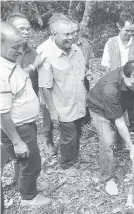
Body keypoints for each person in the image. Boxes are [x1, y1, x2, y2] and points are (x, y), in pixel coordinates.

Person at [0, 22, 51, 206]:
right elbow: (3, 114)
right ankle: (28, 196)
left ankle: (23, 184)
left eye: (21, 45)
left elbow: (20, 78)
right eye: (15, 47)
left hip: (24, 125)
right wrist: (17, 141)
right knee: (31, 162)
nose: (20, 51)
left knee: (21, 160)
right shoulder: (2, 74)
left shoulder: (9, 62)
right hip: (18, 128)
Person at [38, 16, 87, 176]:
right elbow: (45, 87)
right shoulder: (47, 55)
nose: (71, 37)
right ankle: (66, 165)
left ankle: (74, 156)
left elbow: (81, 75)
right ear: (54, 34)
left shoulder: (76, 50)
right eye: (66, 34)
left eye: (72, 33)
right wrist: (52, 111)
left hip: (78, 102)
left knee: (77, 133)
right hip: (63, 106)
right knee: (69, 136)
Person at [87, 60, 134, 193]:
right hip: (99, 107)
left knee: (124, 127)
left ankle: (120, 147)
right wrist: (132, 146)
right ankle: (107, 178)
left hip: (119, 102)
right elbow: (118, 122)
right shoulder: (110, 88)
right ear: (124, 76)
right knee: (107, 142)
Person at [101, 15, 134, 131]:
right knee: (117, 113)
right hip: (116, 84)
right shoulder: (110, 43)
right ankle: (118, 138)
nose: (130, 33)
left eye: (132, 31)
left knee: (133, 110)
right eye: (127, 30)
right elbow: (106, 65)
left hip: (133, 84)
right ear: (119, 27)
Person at [36, 13, 70, 156]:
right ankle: (49, 141)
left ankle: (65, 143)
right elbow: (42, 78)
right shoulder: (43, 48)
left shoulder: (67, 45)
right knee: (48, 118)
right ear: (53, 31)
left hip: (63, 90)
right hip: (48, 90)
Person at [6, 13, 47, 96]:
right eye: (21, 29)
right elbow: (11, 79)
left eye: (28, 29)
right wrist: (34, 66)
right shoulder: (3, 53)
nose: (26, 32)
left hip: (31, 104)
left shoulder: (34, 53)